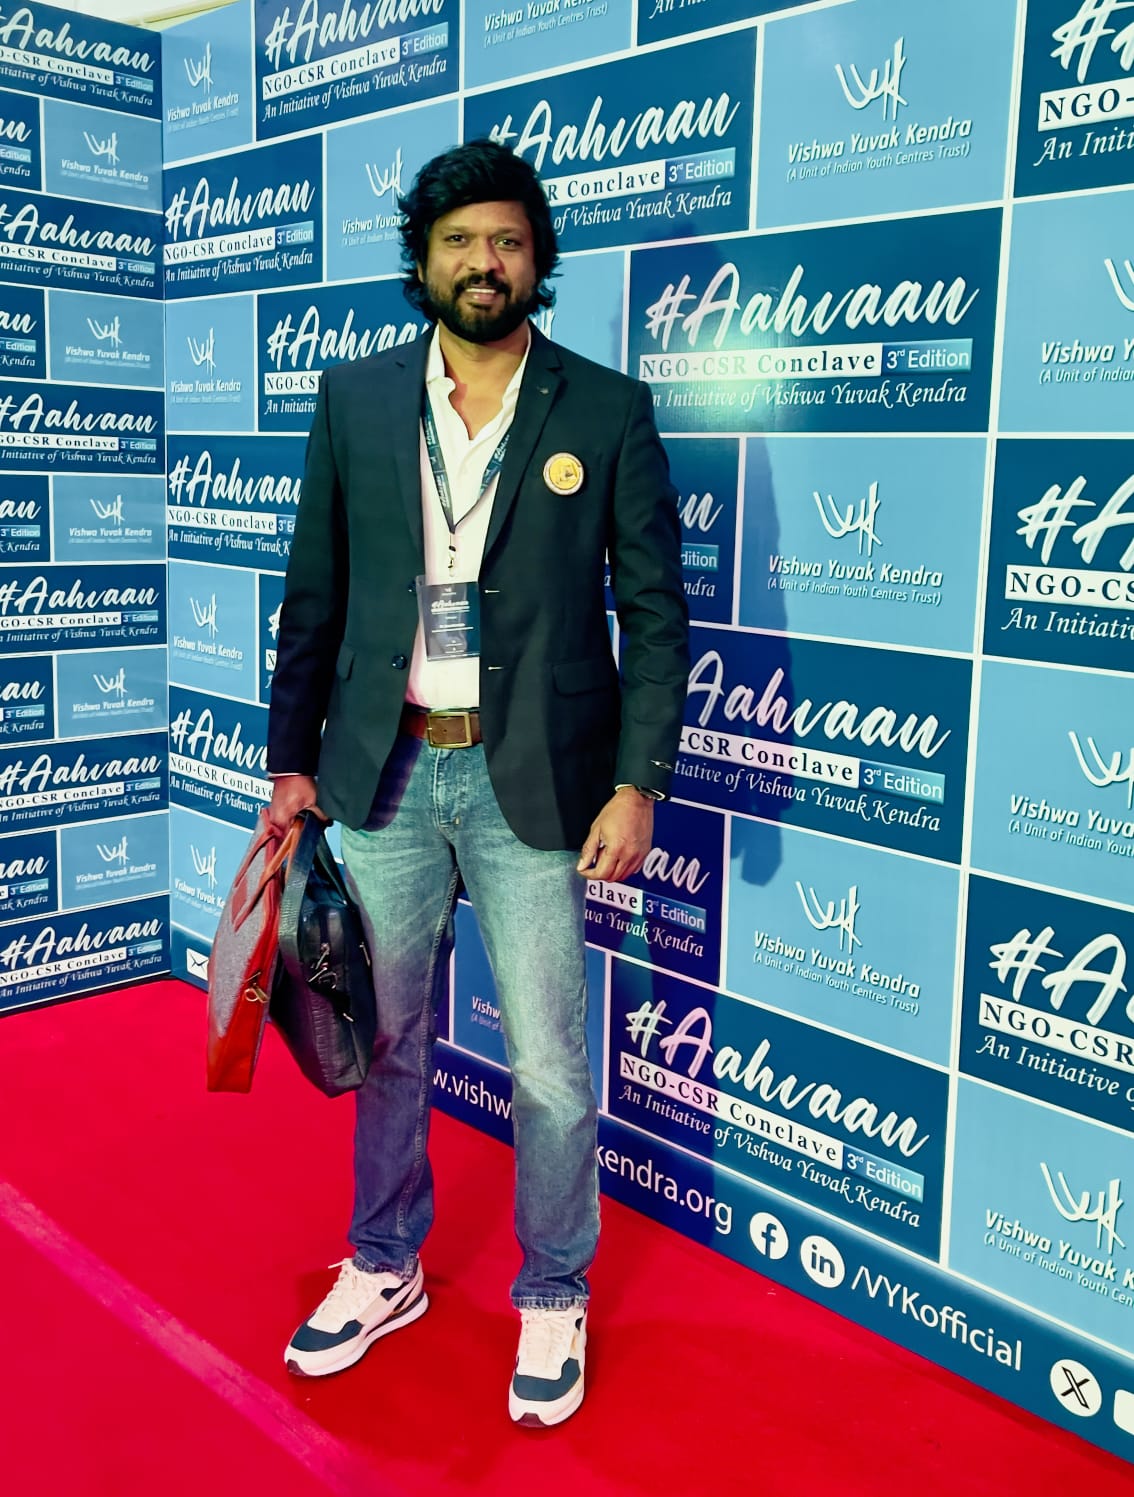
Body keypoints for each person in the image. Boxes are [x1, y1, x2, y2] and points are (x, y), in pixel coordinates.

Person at [266, 139, 689, 1427]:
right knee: (387, 1040)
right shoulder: (355, 399)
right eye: (459, 241)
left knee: (549, 1061)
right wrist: (291, 762)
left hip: (536, 783)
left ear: (537, 258)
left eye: (507, 240)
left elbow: (654, 617)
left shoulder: (604, 409)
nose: (484, 262)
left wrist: (637, 783)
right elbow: (315, 593)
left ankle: (553, 1287)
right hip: (386, 771)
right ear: (425, 259)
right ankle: (383, 1262)